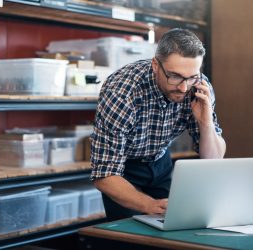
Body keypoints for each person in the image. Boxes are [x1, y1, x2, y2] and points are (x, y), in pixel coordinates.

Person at [90, 28, 226, 221]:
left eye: (192, 77)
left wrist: (206, 123)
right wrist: (150, 205)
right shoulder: (122, 92)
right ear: (155, 65)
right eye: (175, 76)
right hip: (123, 171)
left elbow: (213, 159)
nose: (183, 87)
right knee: (130, 238)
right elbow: (104, 175)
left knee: (175, 227)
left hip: (161, 161)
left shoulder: (199, 87)